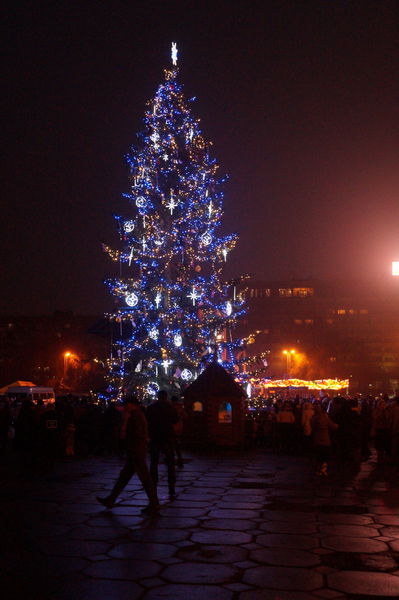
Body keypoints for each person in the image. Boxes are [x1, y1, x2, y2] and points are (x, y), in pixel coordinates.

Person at [97, 395, 159, 515]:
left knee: (145, 478)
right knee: (124, 477)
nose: (124, 406)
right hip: (135, 451)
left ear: (131, 404)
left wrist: (125, 428)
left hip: (136, 451)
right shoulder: (137, 414)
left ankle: (154, 503)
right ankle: (111, 499)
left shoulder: (135, 416)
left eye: (126, 404)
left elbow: (136, 433)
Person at [146, 389, 179, 499]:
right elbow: (175, 420)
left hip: (155, 436)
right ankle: (171, 487)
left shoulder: (151, 408)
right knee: (170, 463)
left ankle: (153, 486)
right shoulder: (170, 408)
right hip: (168, 436)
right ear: (166, 397)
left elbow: (148, 421)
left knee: (154, 463)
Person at [311, 403, 338, 476]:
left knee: (318, 456)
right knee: (325, 456)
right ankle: (323, 469)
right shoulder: (325, 418)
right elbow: (333, 426)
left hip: (316, 439)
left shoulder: (313, 418)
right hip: (325, 439)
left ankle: (318, 470)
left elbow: (312, 427)